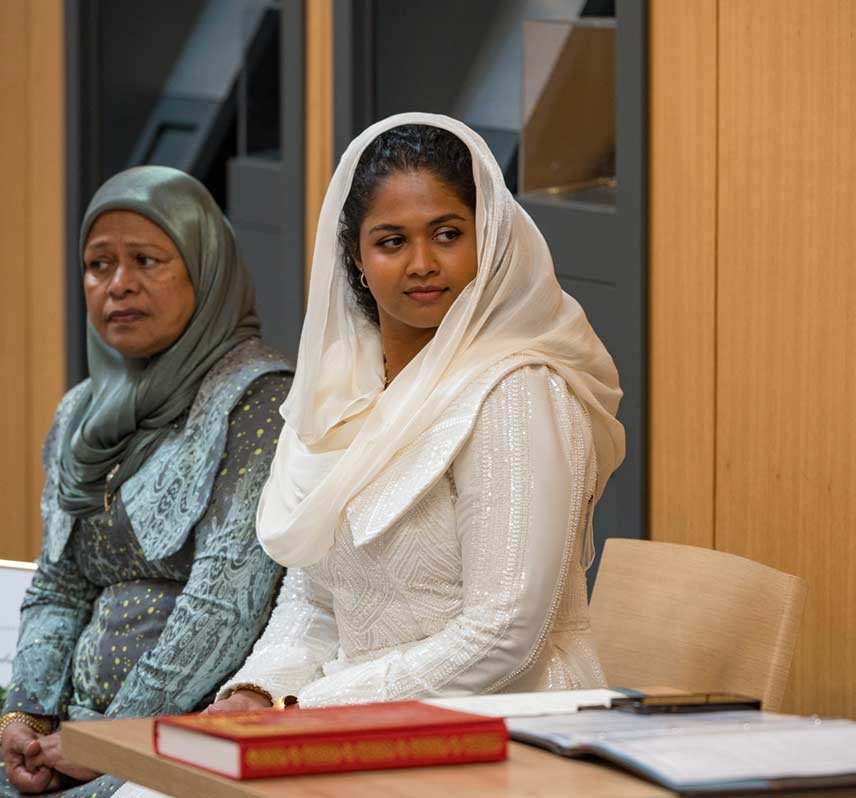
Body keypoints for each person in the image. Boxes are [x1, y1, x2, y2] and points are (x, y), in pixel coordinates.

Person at [208, 113, 623, 711]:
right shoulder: (341, 395)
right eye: (392, 241)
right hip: (356, 717)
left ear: (490, 239)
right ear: (356, 257)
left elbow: (505, 632)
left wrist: (314, 707)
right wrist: (256, 693)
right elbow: (315, 602)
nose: (423, 262)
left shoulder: (515, 391)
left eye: (448, 234)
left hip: (510, 723)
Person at [0, 166, 292, 796]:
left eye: (147, 260)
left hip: (188, 734)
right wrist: (25, 714)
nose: (119, 285)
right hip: (72, 734)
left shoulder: (259, 402)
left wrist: (114, 739)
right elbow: (59, 584)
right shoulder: (83, 413)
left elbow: (225, 603)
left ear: (204, 269)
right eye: (98, 264)